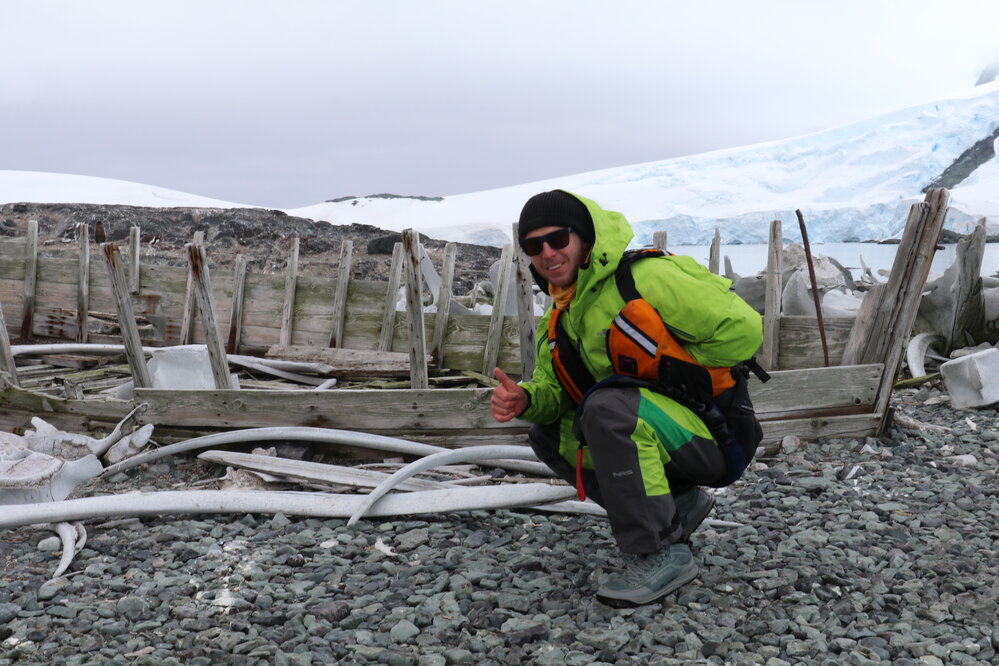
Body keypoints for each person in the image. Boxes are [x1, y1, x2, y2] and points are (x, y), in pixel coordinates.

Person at [491, 189, 763, 607]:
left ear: (584, 239)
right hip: (659, 432)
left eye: (558, 239)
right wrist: (526, 400)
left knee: (609, 408)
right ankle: (678, 506)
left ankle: (659, 551)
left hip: (715, 433)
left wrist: (675, 370)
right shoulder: (560, 315)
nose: (547, 253)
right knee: (550, 433)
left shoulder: (643, 278)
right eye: (534, 245)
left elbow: (743, 329)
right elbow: (555, 392)